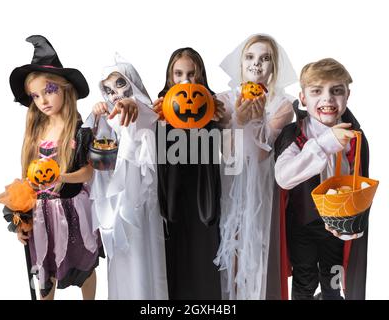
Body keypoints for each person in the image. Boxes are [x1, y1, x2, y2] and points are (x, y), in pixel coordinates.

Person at [9, 35, 103, 300]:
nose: (43, 101)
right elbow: (28, 178)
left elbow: (88, 171)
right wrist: (21, 217)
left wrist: (62, 176)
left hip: (72, 208)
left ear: (65, 89)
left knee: (84, 262)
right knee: (45, 267)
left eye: (49, 91)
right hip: (42, 212)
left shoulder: (79, 129)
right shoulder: (36, 130)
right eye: (35, 96)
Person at [274, 58, 370, 300]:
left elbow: (360, 188)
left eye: (336, 91)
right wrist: (326, 144)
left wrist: (349, 228)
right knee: (304, 281)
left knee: (334, 283)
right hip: (302, 224)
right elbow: (284, 177)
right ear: (303, 98)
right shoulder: (295, 134)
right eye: (317, 91)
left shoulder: (357, 139)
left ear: (347, 96)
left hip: (338, 230)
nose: (327, 99)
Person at [214, 34, 297, 300]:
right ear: (241, 62)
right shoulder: (225, 99)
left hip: (261, 184)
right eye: (250, 57)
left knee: (256, 241)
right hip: (230, 180)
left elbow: (263, 153)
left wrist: (259, 118)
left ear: (274, 66)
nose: (257, 64)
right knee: (232, 239)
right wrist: (238, 119)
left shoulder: (282, 105)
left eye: (265, 59)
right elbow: (226, 153)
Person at [85, 53, 168, 299]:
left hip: (140, 201)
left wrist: (134, 106)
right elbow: (92, 149)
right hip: (114, 203)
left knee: (143, 256)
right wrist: (96, 115)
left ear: (132, 83)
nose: (116, 94)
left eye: (120, 84)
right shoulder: (106, 120)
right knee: (120, 258)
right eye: (109, 90)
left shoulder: (145, 112)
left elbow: (144, 117)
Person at [153, 47, 224, 299]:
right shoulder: (161, 105)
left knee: (205, 253)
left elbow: (227, 148)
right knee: (175, 255)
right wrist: (158, 122)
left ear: (201, 75)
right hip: (172, 189)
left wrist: (220, 121)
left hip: (204, 188)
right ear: (170, 76)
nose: (186, 80)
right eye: (179, 73)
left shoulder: (212, 103)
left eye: (191, 74)